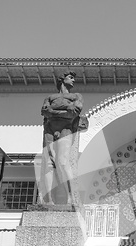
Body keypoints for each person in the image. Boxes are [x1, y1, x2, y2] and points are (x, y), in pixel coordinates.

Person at [39, 71, 88, 206]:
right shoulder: (50, 97)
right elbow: (45, 111)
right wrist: (65, 109)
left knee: (62, 162)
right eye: (70, 77)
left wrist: (54, 112)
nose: (73, 80)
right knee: (49, 164)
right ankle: (47, 200)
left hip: (66, 130)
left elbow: (74, 112)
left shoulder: (76, 96)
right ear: (62, 79)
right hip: (49, 129)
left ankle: (71, 197)